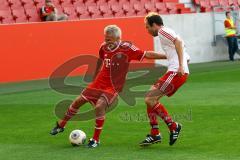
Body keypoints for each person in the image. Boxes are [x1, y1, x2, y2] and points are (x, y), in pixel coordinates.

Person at [50, 25, 167, 148]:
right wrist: (94, 77)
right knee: (77, 102)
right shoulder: (103, 47)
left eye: (109, 40)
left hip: (113, 86)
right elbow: (100, 60)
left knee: (100, 106)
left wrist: (167, 56)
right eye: (105, 39)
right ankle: (61, 126)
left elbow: (146, 54)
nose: (106, 42)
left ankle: (95, 140)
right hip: (99, 83)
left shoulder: (127, 48)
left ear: (118, 39)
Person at [139, 12, 190, 146]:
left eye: (147, 27)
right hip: (176, 71)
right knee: (150, 100)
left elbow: (178, 42)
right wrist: (181, 63)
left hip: (175, 72)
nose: (147, 30)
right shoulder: (169, 33)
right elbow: (186, 56)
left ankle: (173, 126)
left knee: (149, 99)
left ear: (154, 25)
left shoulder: (162, 31)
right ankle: (155, 133)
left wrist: (179, 66)